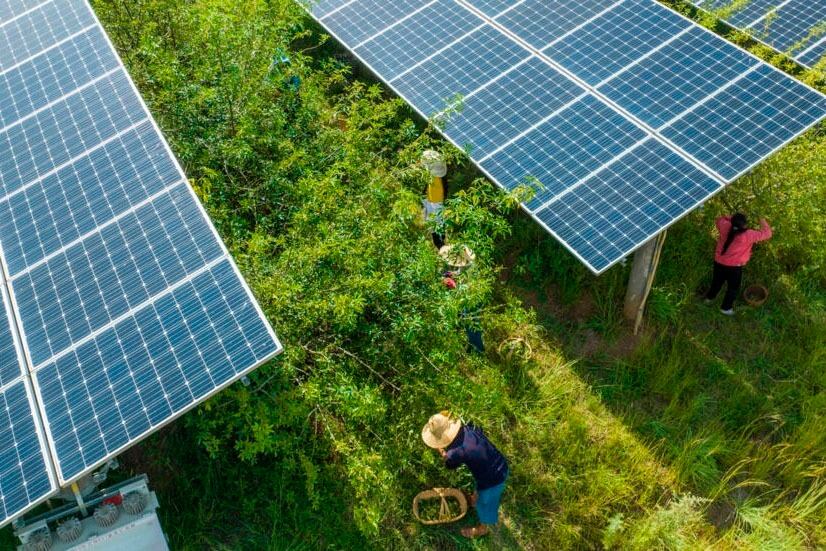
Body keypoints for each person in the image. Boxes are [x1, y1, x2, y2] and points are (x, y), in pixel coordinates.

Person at [422, 412, 508, 538]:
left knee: (487, 504)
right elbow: (479, 433)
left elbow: (450, 465)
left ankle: (482, 528)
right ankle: (475, 499)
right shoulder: (468, 426)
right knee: (480, 485)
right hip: (498, 461)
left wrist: (442, 452)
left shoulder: (454, 453)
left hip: (494, 479)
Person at [705, 213, 772, 315]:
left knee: (716, 282)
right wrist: (761, 219)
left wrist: (730, 218)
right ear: (745, 225)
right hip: (734, 268)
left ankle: (709, 299)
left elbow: (719, 218)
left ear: (732, 222)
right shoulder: (749, 234)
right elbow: (767, 233)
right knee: (732, 288)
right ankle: (725, 308)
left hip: (719, 262)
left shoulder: (725, 226)